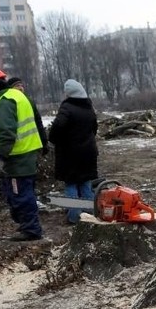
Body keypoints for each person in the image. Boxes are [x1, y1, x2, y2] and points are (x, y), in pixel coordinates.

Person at [0, 67, 44, 241]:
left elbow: (7, 133)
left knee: (20, 196)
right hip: (25, 155)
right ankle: (29, 226)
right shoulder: (16, 96)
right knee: (24, 194)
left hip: (16, 159)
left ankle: (31, 229)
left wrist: (0, 158)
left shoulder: (5, 102)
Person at [48, 79, 99, 224]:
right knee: (85, 184)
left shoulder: (67, 108)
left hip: (70, 154)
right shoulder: (89, 108)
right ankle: (90, 216)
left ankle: (74, 217)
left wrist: (55, 140)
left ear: (69, 93)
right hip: (88, 152)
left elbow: (57, 128)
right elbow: (94, 129)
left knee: (71, 185)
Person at [8, 77, 49, 155]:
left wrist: (44, 141)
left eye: (21, 85)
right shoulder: (8, 102)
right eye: (17, 86)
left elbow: (38, 122)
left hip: (31, 146)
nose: (20, 88)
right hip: (16, 149)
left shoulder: (29, 101)